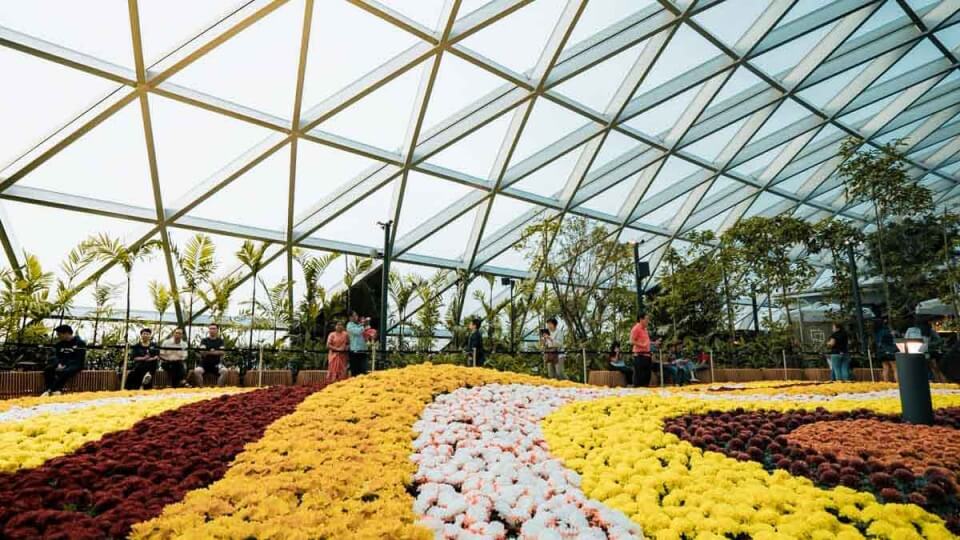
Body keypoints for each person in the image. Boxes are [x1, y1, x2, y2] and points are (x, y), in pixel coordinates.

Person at [41, 325, 86, 396]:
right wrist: (58, 364)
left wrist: (65, 365)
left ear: (67, 333)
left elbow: (79, 358)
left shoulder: (80, 343)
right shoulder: (59, 344)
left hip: (75, 364)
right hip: (61, 363)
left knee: (66, 371)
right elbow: (56, 356)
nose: (58, 336)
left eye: (59, 334)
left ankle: (51, 390)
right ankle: (52, 389)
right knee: (48, 369)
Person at [630, 313, 652, 387]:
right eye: (646, 319)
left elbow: (646, 342)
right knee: (639, 378)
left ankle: (645, 390)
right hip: (639, 356)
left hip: (647, 356)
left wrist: (654, 343)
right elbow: (631, 341)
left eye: (648, 319)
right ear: (641, 319)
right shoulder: (636, 328)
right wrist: (642, 345)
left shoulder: (645, 329)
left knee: (647, 377)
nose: (648, 321)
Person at [875, 318, 897, 382]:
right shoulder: (887, 331)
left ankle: (886, 382)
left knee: (885, 367)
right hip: (890, 351)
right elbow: (893, 339)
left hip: (881, 352)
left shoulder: (877, 332)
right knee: (895, 368)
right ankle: (897, 383)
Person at [346, 312, 368, 377]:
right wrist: (364, 326)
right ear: (350, 317)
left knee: (363, 371)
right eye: (354, 315)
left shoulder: (360, 325)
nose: (356, 317)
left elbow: (365, 334)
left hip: (363, 350)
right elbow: (357, 332)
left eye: (356, 315)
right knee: (355, 372)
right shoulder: (349, 325)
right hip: (355, 352)